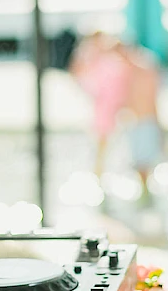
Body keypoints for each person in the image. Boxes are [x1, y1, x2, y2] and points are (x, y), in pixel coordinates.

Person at [69, 33, 131, 177]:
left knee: (108, 142)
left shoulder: (107, 58)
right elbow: (78, 72)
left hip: (112, 104)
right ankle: (99, 172)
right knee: (103, 141)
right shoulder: (94, 58)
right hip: (105, 105)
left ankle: (101, 172)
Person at [122, 46, 162, 194]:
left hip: (143, 122)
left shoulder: (140, 74)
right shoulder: (136, 75)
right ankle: (145, 194)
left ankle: (145, 194)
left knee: (144, 165)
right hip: (140, 122)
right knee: (143, 165)